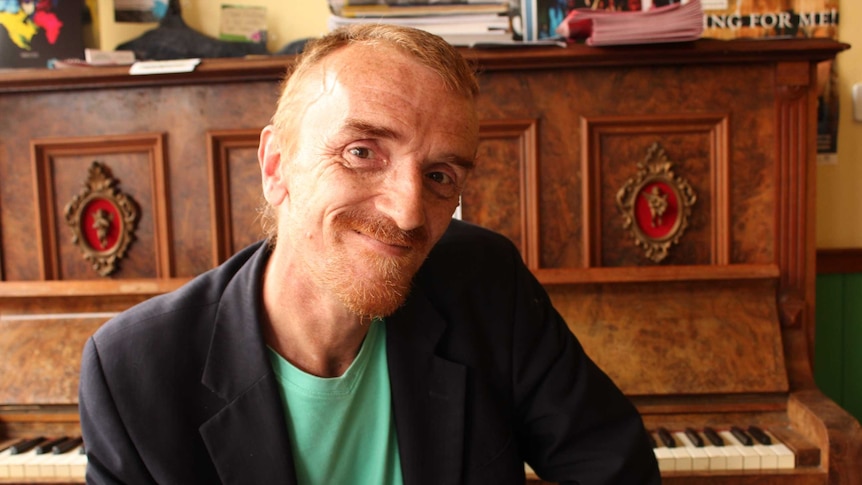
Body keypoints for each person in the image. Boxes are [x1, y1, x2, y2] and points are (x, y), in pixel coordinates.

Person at [79, 24, 660, 485]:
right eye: (362, 151)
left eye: (439, 175)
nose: (409, 212)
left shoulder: (485, 281)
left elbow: (616, 467)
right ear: (276, 165)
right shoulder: (135, 369)